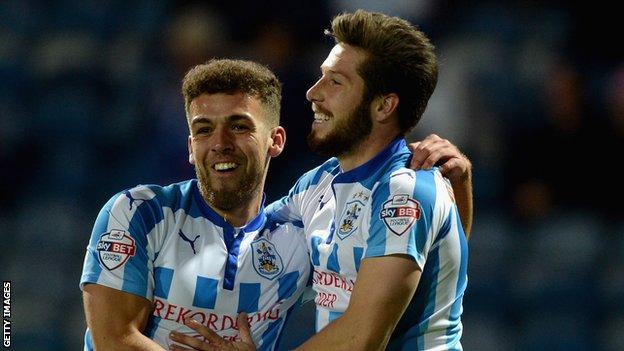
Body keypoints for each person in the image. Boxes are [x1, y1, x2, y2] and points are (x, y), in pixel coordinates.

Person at [171, 9, 471, 351]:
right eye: (321, 76)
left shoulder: (405, 191)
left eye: (336, 82)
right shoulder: (317, 184)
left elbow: (362, 338)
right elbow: (243, 238)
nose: (314, 93)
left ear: (384, 106)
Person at [80, 59, 312, 351]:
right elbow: (114, 341)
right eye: (204, 130)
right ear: (191, 148)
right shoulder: (139, 212)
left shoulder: (298, 238)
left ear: (275, 140)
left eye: (238, 126)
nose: (220, 143)